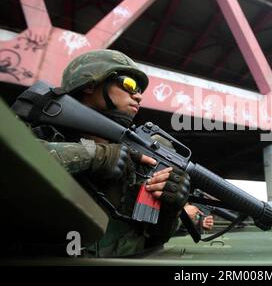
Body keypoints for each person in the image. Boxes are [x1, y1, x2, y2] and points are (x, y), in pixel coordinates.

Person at [29, 49, 190, 257]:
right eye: (130, 85)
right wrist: (94, 155)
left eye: (140, 89)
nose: (139, 96)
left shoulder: (142, 154)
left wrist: (171, 208)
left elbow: (156, 238)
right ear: (90, 84)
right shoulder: (43, 134)